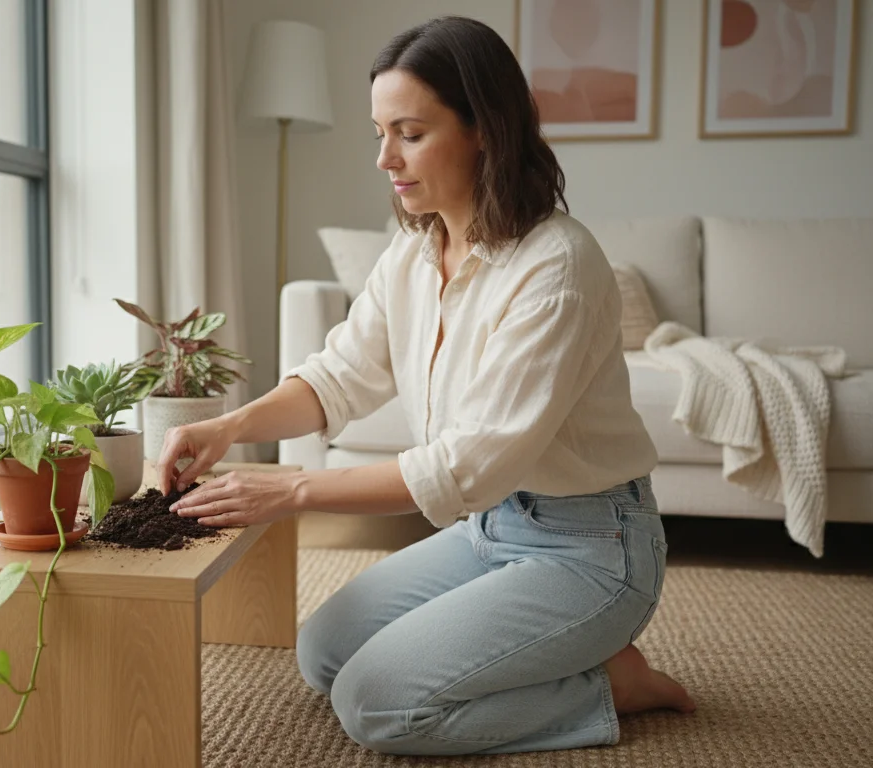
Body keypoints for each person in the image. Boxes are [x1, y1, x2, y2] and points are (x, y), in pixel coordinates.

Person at [154, 15, 695, 757]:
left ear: (484, 130)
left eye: (409, 132)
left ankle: (614, 685)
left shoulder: (556, 268)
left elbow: (469, 466)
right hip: (490, 530)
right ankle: (558, 660)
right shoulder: (415, 252)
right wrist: (227, 427)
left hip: (591, 548)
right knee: (323, 653)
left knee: (375, 706)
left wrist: (290, 492)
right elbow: (337, 377)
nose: (384, 157)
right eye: (379, 132)